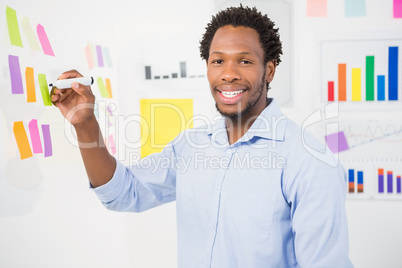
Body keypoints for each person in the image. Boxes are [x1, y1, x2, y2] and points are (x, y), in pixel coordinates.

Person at [51, 5, 353, 268]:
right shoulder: (190, 147)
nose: (228, 74)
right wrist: (85, 124)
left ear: (269, 70)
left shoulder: (309, 162)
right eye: (217, 61)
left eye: (245, 61)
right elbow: (122, 193)